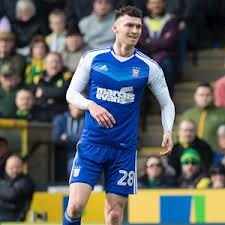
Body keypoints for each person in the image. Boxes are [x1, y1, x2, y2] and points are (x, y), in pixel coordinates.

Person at [65, 6, 175, 225]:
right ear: (115, 28)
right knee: (76, 207)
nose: (135, 31)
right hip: (92, 145)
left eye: (138, 27)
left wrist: (168, 130)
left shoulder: (149, 67)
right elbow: (71, 93)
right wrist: (90, 105)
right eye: (129, 25)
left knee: (114, 216)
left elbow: (167, 103)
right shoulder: (93, 58)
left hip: (123, 150)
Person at [138, 0, 179, 96]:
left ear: (164, 3)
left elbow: (170, 42)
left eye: (159, 2)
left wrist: (150, 41)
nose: (156, 5)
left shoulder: (171, 21)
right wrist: (162, 40)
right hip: (147, 56)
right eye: (153, 2)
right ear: (148, 5)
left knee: (167, 64)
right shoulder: (142, 22)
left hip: (166, 56)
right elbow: (141, 42)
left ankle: (167, 100)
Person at [181, 82, 225, 152]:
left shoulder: (222, 113)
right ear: (195, 96)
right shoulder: (188, 114)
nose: (204, 98)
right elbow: (178, 135)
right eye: (201, 95)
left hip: (215, 156)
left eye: (208, 95)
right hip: (190, 156)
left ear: (213, 96)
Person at [34, 52, 72, 122]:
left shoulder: (67, 77)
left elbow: (63, 92)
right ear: (45, 64)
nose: (54, 65)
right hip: (41, 115)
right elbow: (36, 98)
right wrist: (52, 96)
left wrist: (43, 92)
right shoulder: (39, 79)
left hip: (61, 116)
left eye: (57, 62)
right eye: (51, 62)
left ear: (61, 64)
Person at [0, 155, 35, 222]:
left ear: (22, 167)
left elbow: (12, 194)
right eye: (11, 168)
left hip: (15, 220)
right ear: (6, 169)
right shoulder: (3, 179)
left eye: (17, 167)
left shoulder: (26, 181)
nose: (15, 170)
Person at [53, 103, 85, 176]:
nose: (79, 106)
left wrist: (67, 137)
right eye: (76, 102)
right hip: (62, 153)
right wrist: (77, 138)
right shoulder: (60, 119)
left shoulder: (89, 120)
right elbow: (56, 137)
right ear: (70, 105)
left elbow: (86, 140)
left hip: (82, 153)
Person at [0, 16, 26, 83]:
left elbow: (14, 77)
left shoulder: (19, 58)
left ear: (12, 43)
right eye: (1, 41)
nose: (3, 44)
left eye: (7, 41)